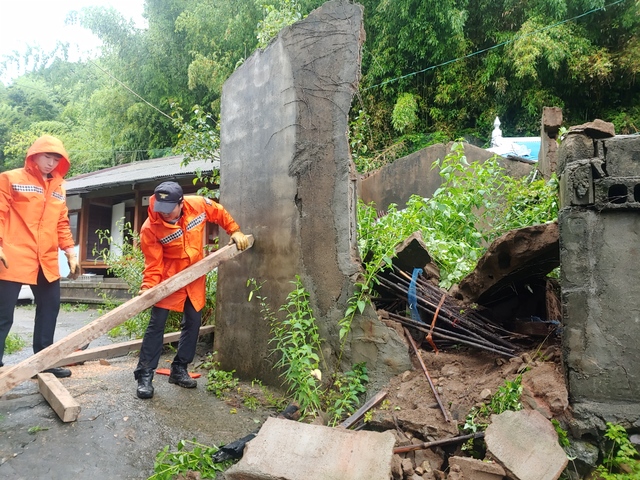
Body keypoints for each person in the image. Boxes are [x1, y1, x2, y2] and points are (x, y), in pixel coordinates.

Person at [134, 181, 249, 399]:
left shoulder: (197, 205)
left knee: (193, 322)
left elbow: (219, 212)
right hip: (168, 280)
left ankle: (179, 369)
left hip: (195, 276)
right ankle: (145, 375)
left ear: (180, 203)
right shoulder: (150, 227)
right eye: (161, 209)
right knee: (156, 324)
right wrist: (148, 287)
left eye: (170, 209)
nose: (165, 214)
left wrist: (234, 230)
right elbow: (153, 264)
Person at [0, 135, 81, 378]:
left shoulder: (59, 186)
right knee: (3, 314)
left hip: (46, 258)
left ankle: (43, 361)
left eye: (56, 159)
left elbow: (62, 222)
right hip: (13, 254)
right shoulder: (10, 178)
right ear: (34, 154)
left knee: (50, 308)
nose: (51, 163)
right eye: (48, 157)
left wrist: (69, 251)